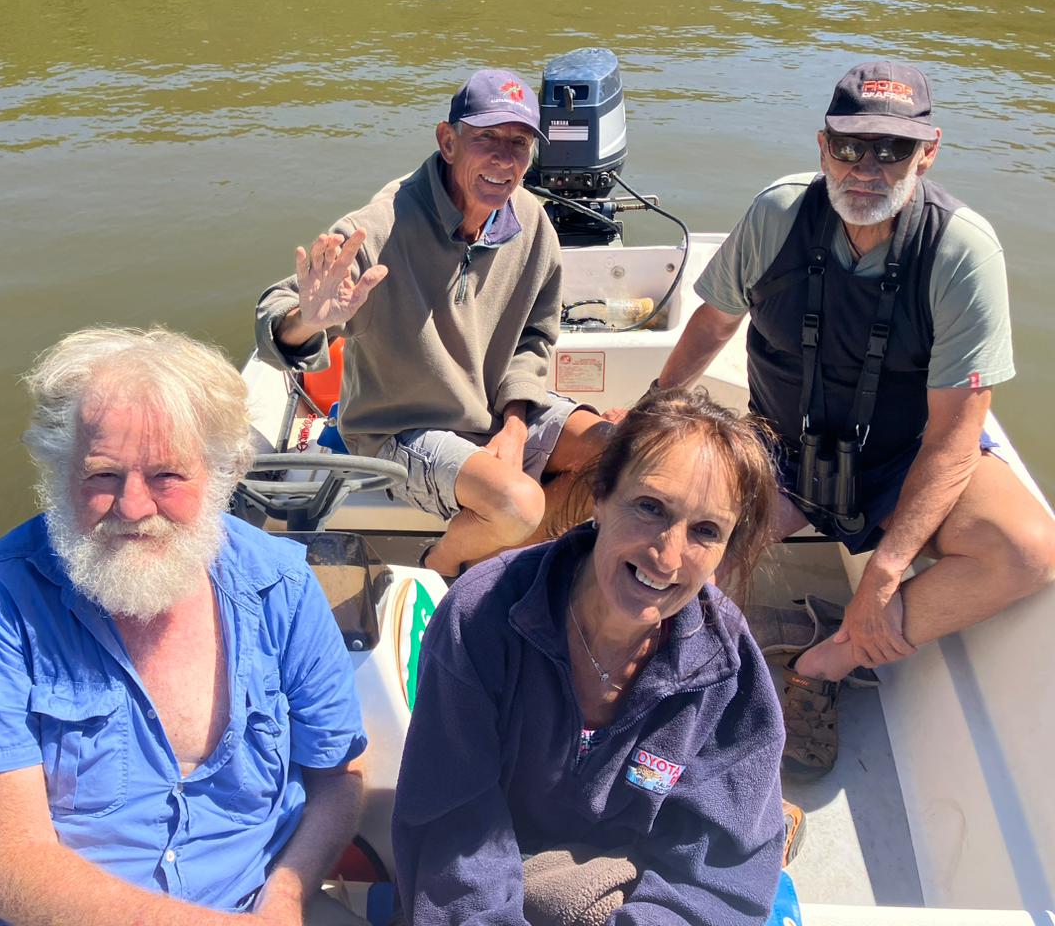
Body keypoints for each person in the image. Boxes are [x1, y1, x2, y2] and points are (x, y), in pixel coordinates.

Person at [656, 59, 1055, 775]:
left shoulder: (961, 251)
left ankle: (824, 662)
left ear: (927, 152)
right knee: (672, 547)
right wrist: (652, 411)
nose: (867, 168)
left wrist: (887, 571)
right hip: (779, 449)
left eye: (892, 149)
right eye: (849, 146)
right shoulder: (778, 215)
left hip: (903, 462)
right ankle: (705, 657)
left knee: (1027, 551)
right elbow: (713, 324)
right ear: (823, 145)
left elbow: (956, 434)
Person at [0, 327, 368, 926]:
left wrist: (285, 899)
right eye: (103, 475)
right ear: (60, 473)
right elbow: (12, 862)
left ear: (219, 474)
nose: (133, 507)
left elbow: (339, 776)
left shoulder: (282, 587)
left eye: (167, 476)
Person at [391, 387, 787, 926]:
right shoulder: (479, 616)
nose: (667, 556)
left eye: (705, 531)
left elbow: (716, 878)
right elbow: (451, 828)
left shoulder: (728, 669)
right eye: (650, 507)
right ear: (600, 495)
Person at [254, 68, 613, 579]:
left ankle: (495, 561)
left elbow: (534, 337)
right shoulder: (376, 229)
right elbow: (275, 320)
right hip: (400, 428)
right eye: (486, 137)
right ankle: (446, 562)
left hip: (493, 411)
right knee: (519, 504)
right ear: (448, 141)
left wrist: (515, 425)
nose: (504, 159)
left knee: (626, 454)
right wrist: (308, 321)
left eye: (519, 143)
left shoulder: (532, 222)